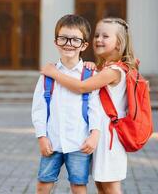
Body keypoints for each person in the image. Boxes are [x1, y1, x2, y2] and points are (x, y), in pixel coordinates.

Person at [41, 17, 138, 194]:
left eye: (105, 36)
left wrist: (54, 73)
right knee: (101, 185)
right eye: (97, 35)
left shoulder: (114, 71)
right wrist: (92, 66)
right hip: (97, 134)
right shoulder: (104, 68)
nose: (99, 39)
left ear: (119, 44)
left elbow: (82, 87)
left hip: (109, 137)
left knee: (110, 186)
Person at [31, 14, 103, 194]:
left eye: (75, 39)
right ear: (56, 41)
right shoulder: (47, 75)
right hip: (52, 140)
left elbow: (95, 108)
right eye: (63, 38)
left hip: (79, 141)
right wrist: (41, 136)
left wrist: (94, 135)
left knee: (78, 185)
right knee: (43, 184)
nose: (68, 43)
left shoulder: (89, 75)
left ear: (84, 45)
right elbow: (38, 109)